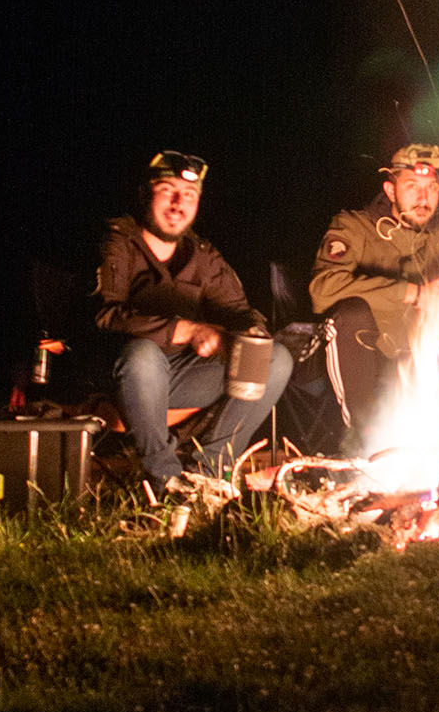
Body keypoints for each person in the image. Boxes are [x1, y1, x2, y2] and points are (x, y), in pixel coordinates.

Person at [92, 149, 292, 494]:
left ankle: (209, 473)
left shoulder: (200, 254)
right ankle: (166, 479)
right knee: (143, 354)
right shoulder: (117, 242)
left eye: (189, 195)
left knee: (273, 358)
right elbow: (103, 316)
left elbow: (242, 312)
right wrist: (187, 329)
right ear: (145, 194)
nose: (177, 203)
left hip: (181, 376)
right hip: (121, 376)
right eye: (167, 190)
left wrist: (246, 333)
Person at [309, 142, 439, 445]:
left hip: (427, 355)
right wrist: (415, 293)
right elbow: (323, 289)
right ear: (391, 191)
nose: (423, 198)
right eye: (412, 186)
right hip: (367, 352)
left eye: (431, 187)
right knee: (349, 315)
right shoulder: (354, 227)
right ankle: (363, 442)